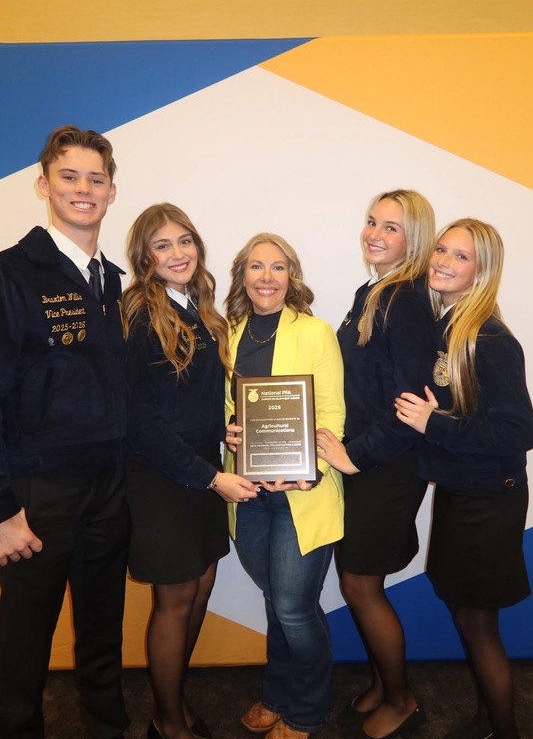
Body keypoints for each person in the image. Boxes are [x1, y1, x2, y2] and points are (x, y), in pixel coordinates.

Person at [0, 125, 130, 738]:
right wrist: (3, 510)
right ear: (44, 185)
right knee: (23, 643)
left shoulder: (113, 280)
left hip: (109, 486)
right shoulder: (12, 275)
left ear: (111, 191)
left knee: (103, 631)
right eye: (69, 177)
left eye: (95, 179)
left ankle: (106, 728)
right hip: (39, 493)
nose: (84, 189)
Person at [122, 204, 258, 739]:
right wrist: (209, 477)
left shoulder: (200, 310)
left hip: (202, 467)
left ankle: (172, 700)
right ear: (145, 257)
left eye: (185, 241)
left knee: (201, 584)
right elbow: (140, 422)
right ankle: (168, 720)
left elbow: (190, 398)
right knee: (175, 600)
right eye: (163, 245)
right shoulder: (139, 314)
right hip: (164, 478)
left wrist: (223, 432)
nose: (177, 253)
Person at [395, 218, 533, 739]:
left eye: (461, 257)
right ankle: (487, 718)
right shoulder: (449, 326)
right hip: (462, 493)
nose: (443, 262)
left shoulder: (490, 337)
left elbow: (519, 429)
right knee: (464, 613)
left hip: (488, 502)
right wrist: (442, 418)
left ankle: (505, 729)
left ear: (482, 273)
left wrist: (436, 424)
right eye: (442, 251)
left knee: (478, 624)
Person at [316, 190, 436, 739]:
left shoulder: (405, 299)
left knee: (362, 585)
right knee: (357, 580)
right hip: (368, 462)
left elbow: (411, 402)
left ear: (414, 238)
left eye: (391, 227)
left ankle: (403, 698)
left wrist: (354, 455)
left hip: (386, 465)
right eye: (371, 222)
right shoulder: (373, 291)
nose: (375, 234)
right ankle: (382, 684)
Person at [224, 233, 345, 739]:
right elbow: (231, 408)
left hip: (302, 494)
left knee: (294, 610)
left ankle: (309, 710)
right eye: (256, 267)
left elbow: (333, 413)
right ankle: (276, 694)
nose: (266, 277)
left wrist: (307, 467)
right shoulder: (229, 332)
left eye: (278, 267)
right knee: (277, 601)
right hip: (250, 497)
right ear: (242, 275)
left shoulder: (315, 332)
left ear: (291, 276)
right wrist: (229, 433)